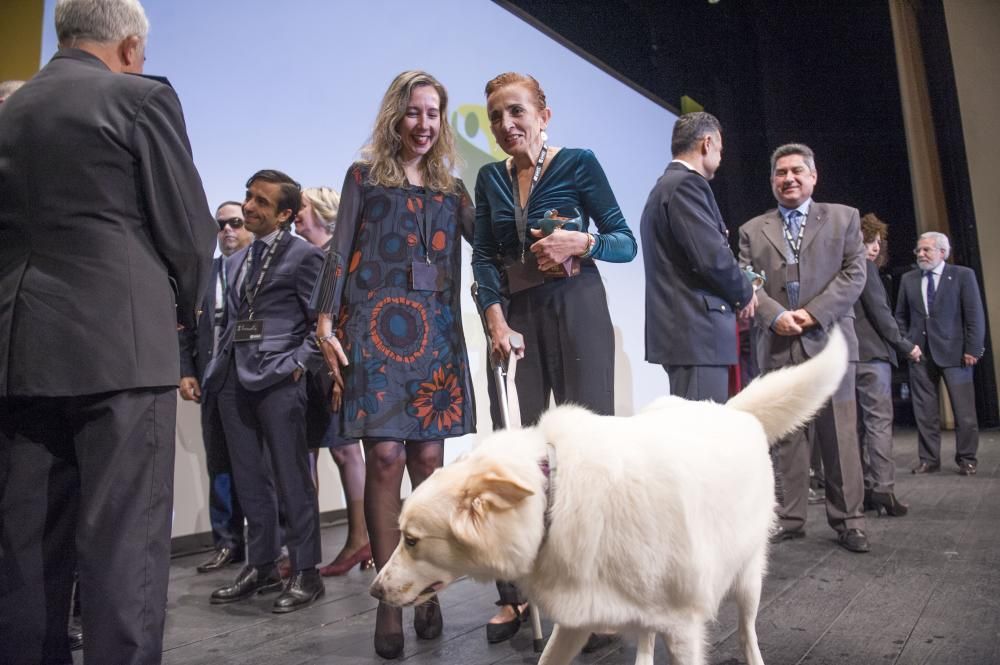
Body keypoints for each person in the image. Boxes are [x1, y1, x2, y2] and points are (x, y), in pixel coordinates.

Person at [0, 0, 216, 662]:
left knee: (25, 556)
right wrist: (194, 341)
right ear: (128, 47)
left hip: (19, 352)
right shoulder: (138, 98)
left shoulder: (9, 111)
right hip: (123, 351)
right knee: (125, 552)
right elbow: (188, 233)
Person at [312, 70, 475, 659]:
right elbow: (339, 249)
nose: (424, 125)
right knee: (383, 457)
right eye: (414, 113)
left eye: (433, 114)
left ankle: (425, 585)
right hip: (374, 332)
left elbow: (491, 245)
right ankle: (390, 597)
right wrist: (325, 321)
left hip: (433, 335)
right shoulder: (363, 177)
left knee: (428, 461)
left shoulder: (453, 190)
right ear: (394, 117)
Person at [471, 71, 636, 646]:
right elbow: (485, 259)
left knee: (585, 454)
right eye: (495, 117)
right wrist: (493, 316)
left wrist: (582, 242)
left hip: (577, 309)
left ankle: (596, 594)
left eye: (516, 112)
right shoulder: (488, 178)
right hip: (516, 321)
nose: (505, 125)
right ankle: (517, 595)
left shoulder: (580, 163)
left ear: (544, 113)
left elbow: (624, 240)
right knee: (517, 451)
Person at [201, 170, 327, 613]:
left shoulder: (305, 256)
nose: (249, 207)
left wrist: (297, 364)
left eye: (261, 203)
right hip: (234, 379)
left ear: (286, 215)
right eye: (248, 197)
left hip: (279, 380)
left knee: (293, 479)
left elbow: (324, 323)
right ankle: (262, 565)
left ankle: (307, 572)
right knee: (250, 481)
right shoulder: (237, 260)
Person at [738, 143, 870, 554]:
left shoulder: (844, 218)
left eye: (797, 171)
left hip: (829, 341)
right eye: (780, 173)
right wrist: (776, 315)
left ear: (813, 177)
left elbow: (854, 274)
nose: (789, 178)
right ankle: (790, 517)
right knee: (787, 436)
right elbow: (747, 280)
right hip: (778, 341)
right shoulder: (751, 229)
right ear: (773, 180)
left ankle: (849, 520)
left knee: (839, 436)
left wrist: (812, 313)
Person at [640, 111, 756, 402]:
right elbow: (711, 258)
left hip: (687, 334)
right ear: (707, 143)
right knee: (699, 440)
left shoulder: (665, 187)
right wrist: (745, 292)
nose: (720, 156)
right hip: (697, 334)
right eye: (720, 148)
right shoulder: (687, 185)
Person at [295, 186, 372, 577]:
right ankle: (309, 551)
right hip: (309, 369)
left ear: (321, 211)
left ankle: (360, 540)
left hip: (333, 367)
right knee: (313, 452)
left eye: (302, 207)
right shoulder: (304, 257)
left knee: (345, 452)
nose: (295, 213)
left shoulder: (336, 258)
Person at [178, 201, 253, 572]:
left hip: (253, 382)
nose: (227, 230)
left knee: (257, 467)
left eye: (236, 223)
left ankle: (270, 546)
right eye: (221, 224)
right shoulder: (205, 273)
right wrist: (186, 370)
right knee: (220, 466)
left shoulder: (261, 269)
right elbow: (185, 327)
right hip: (212, 381)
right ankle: (227, 542)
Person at [895, 231, 985, 476]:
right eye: (919, 250)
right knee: (925, 413)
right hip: (920, 355)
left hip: (956, 354)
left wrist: (973, 349)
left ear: (943, 252)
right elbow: (900, 316)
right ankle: (928, 459)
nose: (921, 254)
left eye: (927, 250)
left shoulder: (962, 275)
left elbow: (974, 315)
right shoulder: (909, 279)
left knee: (964, 412)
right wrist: (906, 345)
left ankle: (967, 459)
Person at [853, 213, 918, 515]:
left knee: (855, 430)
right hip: (872, 358)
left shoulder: (841, 272)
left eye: (878, 241)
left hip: (847, 358)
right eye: (869, 240)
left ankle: (863, 489)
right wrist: (906, 347)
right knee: (878, 424)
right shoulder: (865, 269)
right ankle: (883, 490)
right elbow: (882, 317)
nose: (875, 247)